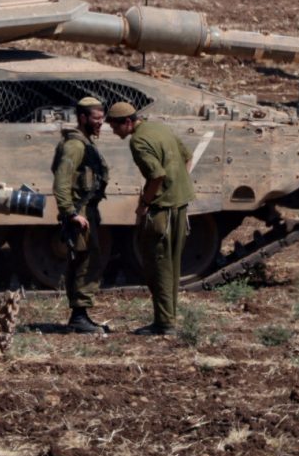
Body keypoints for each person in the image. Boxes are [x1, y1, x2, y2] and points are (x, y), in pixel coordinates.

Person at [106, 101, 195, 335]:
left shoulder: (138, 141)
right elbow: (187, 156)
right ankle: (169, 317)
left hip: (161, 210)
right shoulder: (159, 128)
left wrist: (144, 203)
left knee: (158, 267)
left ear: (127, 122)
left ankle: (164, 324)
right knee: (172, 265)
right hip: (180, 205)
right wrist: (176, 186)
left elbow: (156, 175)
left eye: (115, 126)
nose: (113, 131)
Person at [52, 96, 110, 334]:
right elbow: (61, 182)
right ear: (83, 118)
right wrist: (70, 212)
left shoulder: (84, 143)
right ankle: (79, 316)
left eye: (102, 118)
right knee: (85, 262)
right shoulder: (75, 146)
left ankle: (81, 315)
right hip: (80, 211)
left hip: (86, 209)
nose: (101, 123)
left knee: (87, 259)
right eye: (96, 118)